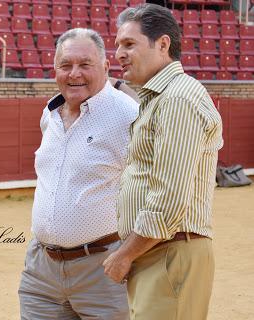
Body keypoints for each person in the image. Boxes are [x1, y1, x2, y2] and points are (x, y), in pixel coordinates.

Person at [103, 4, 223, 320]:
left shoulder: (177, 99)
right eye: (117, 45)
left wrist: (123, 256)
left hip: (169, 252)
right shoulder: (160, 98)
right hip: (158, 252)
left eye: (129, 44)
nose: (118, 54)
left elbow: (168, 201)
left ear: (163, 44)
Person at [18, 28, 139, 320]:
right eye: (66, 65)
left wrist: (128, 255)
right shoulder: (50, 112)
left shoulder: (129, 115)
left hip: (104, 269)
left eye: (85, 65)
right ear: (55, 69)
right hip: (41, 271)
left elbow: (154, 190)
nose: (75, 73)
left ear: (106, 67)